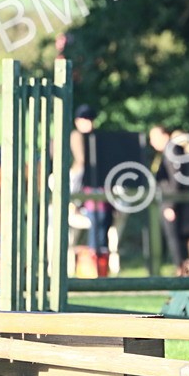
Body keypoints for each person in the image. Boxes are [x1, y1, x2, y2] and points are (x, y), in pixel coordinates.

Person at [148, 124, 189, 266]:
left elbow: (176, 180)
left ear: (165, 135)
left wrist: (170, 205)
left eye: (154, 138)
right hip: (175, 202)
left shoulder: (172, 150)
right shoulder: (169, 151)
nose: (151, 142)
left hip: (173, 202)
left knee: (176, 242)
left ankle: (182, 273)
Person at [69, 104, 113, 262]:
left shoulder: (97, 138)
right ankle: (95, 257)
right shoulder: (77, 137)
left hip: (98, 188)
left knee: (103, 219)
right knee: (96, 218)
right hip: (84, 190)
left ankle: (100, 259)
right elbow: (80, 165)